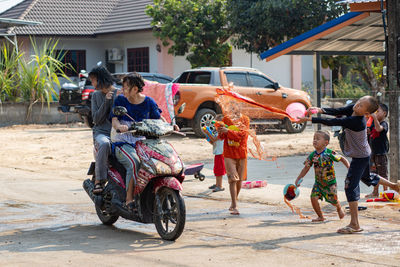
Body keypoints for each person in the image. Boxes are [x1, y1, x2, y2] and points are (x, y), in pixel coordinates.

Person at [298, 96, 400, 234]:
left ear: (366, 114)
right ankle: (395, 186)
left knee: (350, 186)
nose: (356, 105)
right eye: (358, 102)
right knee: (367, 177)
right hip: (362, 154)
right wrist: (319, 109)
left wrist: (310, 119)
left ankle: (355, 224)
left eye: (360, 105)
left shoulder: (356, 121)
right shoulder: (353, 108)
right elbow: (338, 111)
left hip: (360, 157)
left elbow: (334, 121)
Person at [111, 72, 163, 211]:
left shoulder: (149, 102)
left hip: (142, 142)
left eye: (125, 87)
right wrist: (118, 127)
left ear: (135, 89)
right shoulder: (120, 100)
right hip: (122, 141)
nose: (123, 90)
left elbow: (158, 119)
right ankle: (129, 200)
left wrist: (171, 125)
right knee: (135, 162)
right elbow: (115, 119)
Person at [294, 130, 349, 222]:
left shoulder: (330, 153)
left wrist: (348, 167)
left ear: (325, 143)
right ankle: (320, 216)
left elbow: (342, 158)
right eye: (314, 139)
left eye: (318, 139)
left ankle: (339, 208)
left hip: (330, 183)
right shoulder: (312, 155)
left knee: (333, 201)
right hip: (318, 183)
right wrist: (299, 178)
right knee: (313, 198)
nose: (315, 140)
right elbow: (306, 168)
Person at [89, 66, 118, 194]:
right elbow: (96, 119)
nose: (92, 83)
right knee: (105, 144)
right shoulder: (96, 95)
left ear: (101, 79)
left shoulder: (119, 94)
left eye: (93, 80)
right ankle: (99, 181)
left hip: (119, 133)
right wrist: (106, 102)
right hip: (102, 133)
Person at [217, 103, 249, 215]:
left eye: (235, 107)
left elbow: (242, 135)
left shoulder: (245, 119)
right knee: (232, 179)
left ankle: (234, 201)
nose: (233, 109)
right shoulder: (226, 119)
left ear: (240, 107)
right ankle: (235, 205)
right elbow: (221, 137)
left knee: (239, 180)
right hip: (229, 154)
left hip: (241, 153)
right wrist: (220, 130)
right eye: (231, 107)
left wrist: (228, 131)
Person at [366, 103, 389, 198]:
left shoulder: (384, 124)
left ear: (384, 113)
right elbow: (369, 133)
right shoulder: (371, 124)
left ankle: (386, 193)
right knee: (374, 174)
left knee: (383, 174)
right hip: (373, 153)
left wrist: (374, 118)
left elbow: (379, 129)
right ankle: (375, 191)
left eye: (377, 111)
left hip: (381, 153)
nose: (375, 113)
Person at [205, 114, 226, 192]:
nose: (215, 126)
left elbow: (214, 139)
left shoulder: (222, 133)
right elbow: (213, 142)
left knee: (219, 170)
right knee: (217, 169)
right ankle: (217, 184)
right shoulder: (218, 132)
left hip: (220, 153)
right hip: (217, 153)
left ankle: (219, 186)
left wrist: (208, 132)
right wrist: (208, 138)